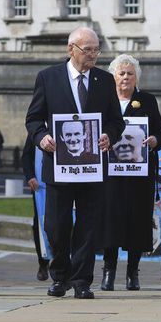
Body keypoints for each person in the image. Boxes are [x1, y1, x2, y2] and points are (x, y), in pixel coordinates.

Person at [25, 26, 124, 299]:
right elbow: (33, 119)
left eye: (96, 49)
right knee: (56, 226)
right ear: (71, 49)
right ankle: (60, 275)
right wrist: (42, 137)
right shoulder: (48, 78)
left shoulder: (105, 80)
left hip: (92, 166)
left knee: (88, 225)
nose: (93, 55)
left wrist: (109, 136)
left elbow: (117, 121)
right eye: (87, 49)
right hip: (58, 164)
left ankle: (82, 280)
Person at [101, 54, 161, 292]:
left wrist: (154, 140)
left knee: (138, 222)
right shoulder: (104, 100)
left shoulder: (147, 101)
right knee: (111, 221)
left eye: (130, 73)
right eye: (121, 73)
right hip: (111, 174)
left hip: (140, 175)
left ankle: (133, 272)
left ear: (136, 77)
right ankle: (108, 271)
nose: (126, 78)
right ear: (113, 76)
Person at [21, 135, 50, 281]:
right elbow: (26, 156)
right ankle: (43, 263)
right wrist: (30, 176)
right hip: (41, 187)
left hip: (64, 184)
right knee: (40, 224)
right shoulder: (37, 130)